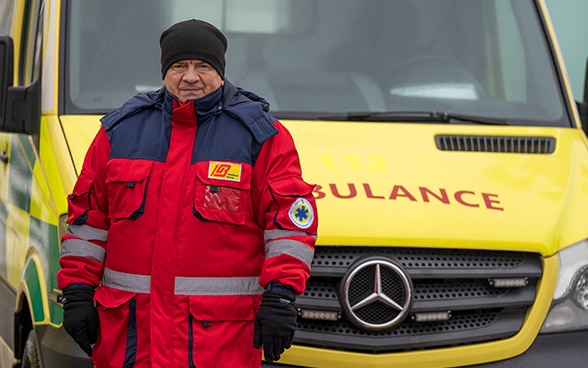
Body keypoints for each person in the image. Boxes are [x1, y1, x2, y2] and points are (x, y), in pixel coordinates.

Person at [57, 19, 318, 368]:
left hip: (219, 343)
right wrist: (77, 291)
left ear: (220, 72)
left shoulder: (261, 138)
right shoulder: (120, 133)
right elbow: (88, 223)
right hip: (131, 339)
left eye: (202, 66)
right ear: (165, 71)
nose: (190, 77)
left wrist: (281, 296)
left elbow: (289, 225)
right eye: (179, 66)